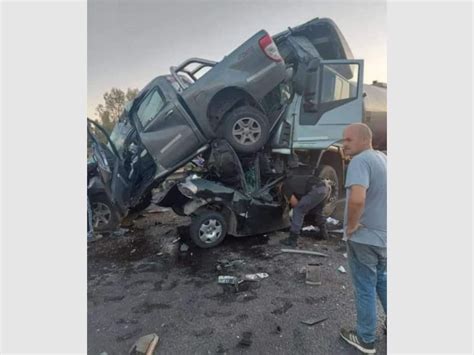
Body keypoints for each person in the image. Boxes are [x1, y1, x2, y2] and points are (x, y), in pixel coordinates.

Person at [339, 123, 387, 354]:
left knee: (365, 286)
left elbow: (357, 199)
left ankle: (365, 338)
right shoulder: (383, 159)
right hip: (384, 236)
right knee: (383, 281)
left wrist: (350, 227)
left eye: (348, 140)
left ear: (362, 140)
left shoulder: (360, 161)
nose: (343, 144)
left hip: (364, 237)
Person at [280, 160, 331, 247]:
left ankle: (292, 240)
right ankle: (324, 234)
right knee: (319, 211)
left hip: (316, 190)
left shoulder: (285, 186)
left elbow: (295, 204)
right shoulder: (294, 180)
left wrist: (291, 213)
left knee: (298, 210)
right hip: (325, 188)